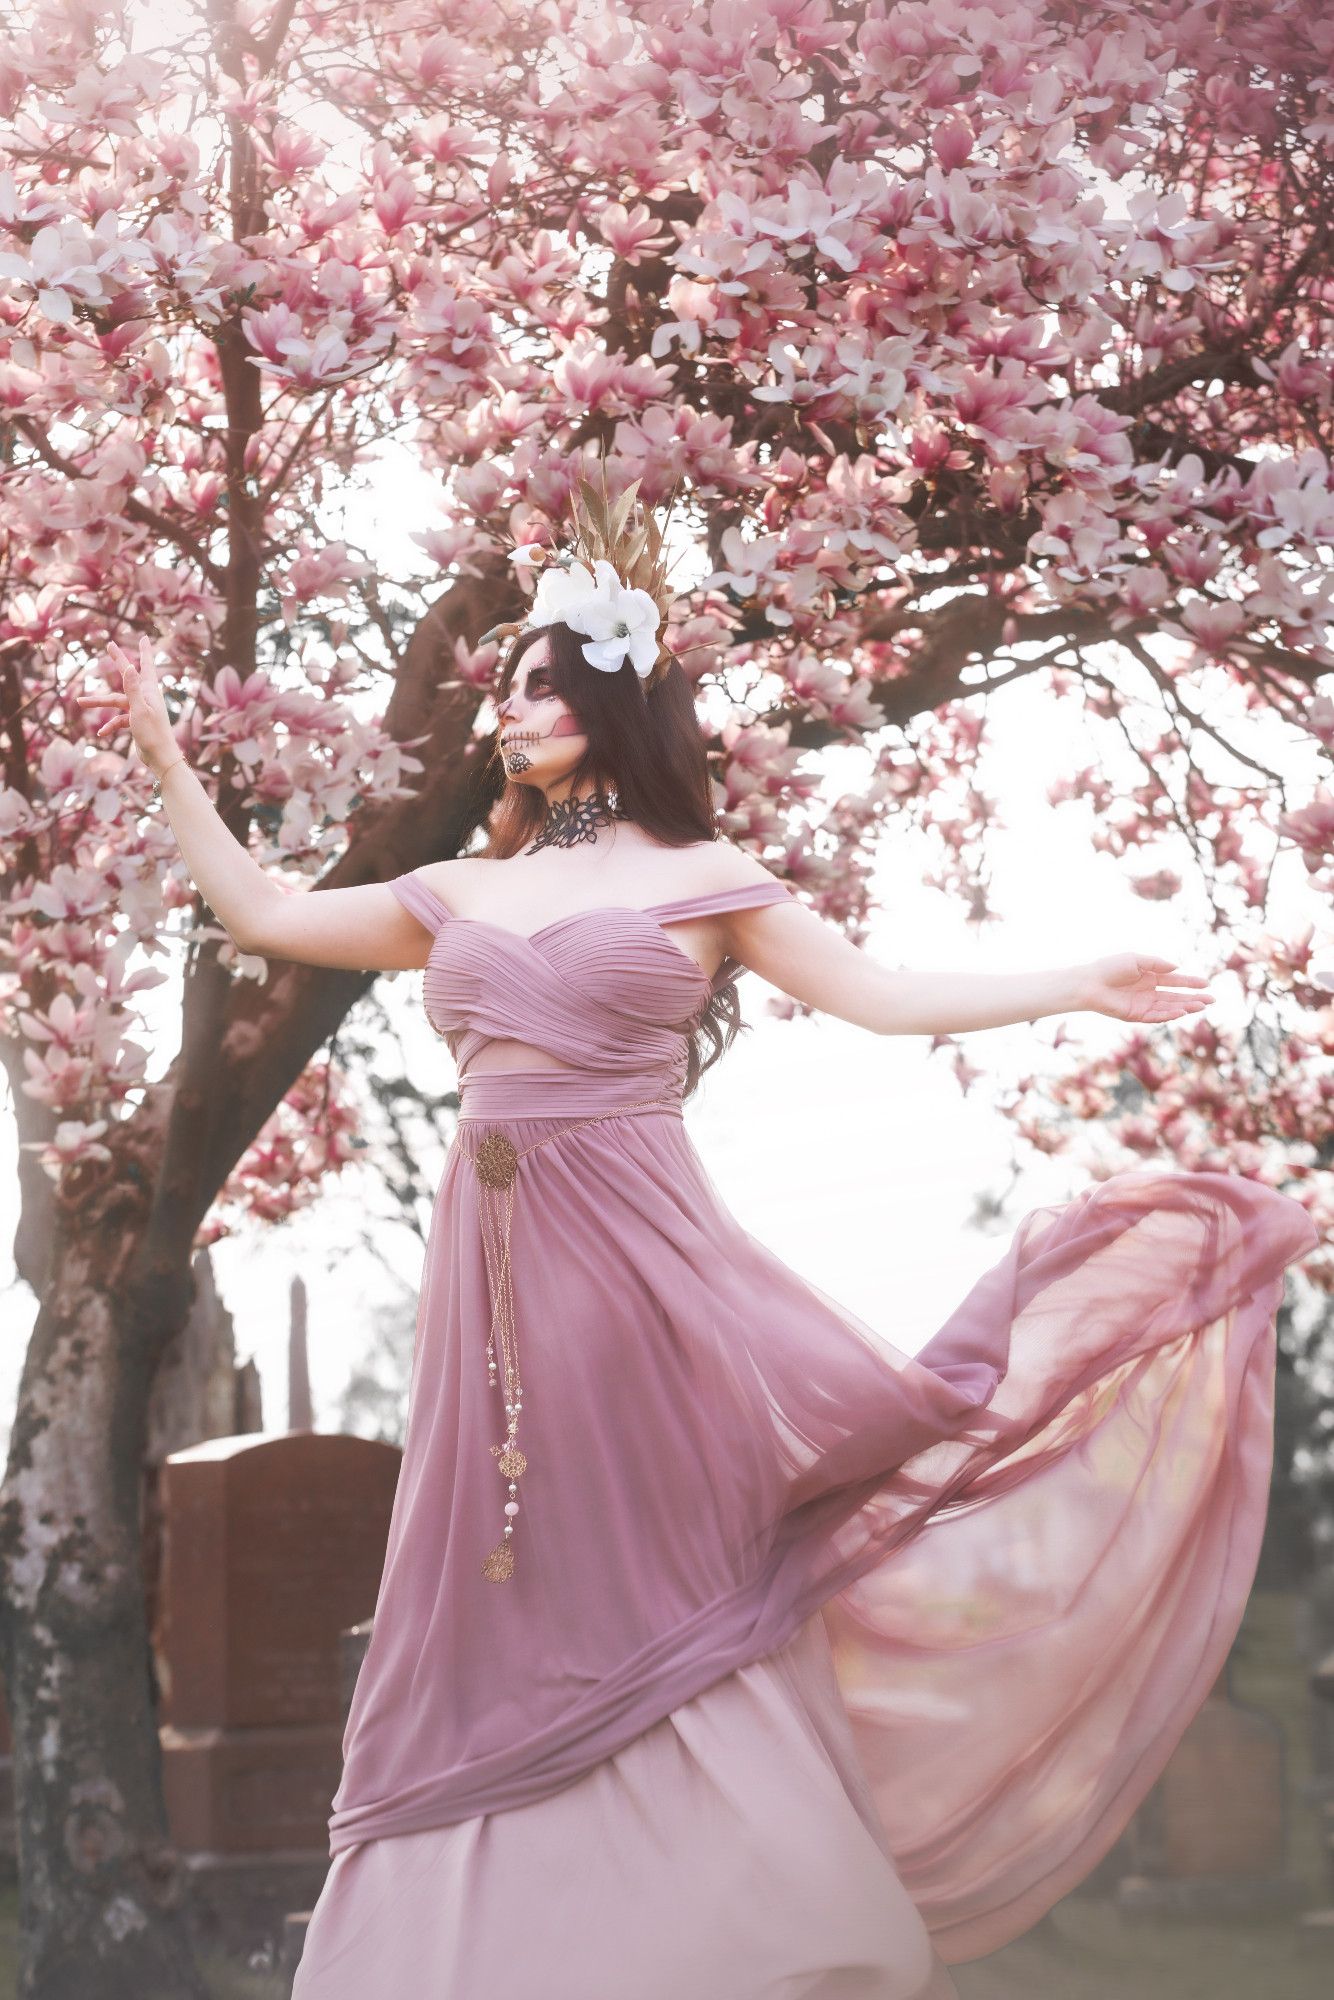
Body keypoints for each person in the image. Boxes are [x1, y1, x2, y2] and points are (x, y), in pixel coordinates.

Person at [82, 485, 1317, 2000]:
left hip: (640, 1268)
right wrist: (157, 745)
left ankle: (752, 1919)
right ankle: (472, 1952)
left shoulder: (699, 880)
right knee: (490, 1580)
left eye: (541, 682)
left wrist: (1073, 978)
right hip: (492, 1279)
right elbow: (264, 909)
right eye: (509, 686)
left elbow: (879, 993)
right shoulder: (459, 888)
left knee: (649, 1565)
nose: (512, 709)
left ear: (609, 702)